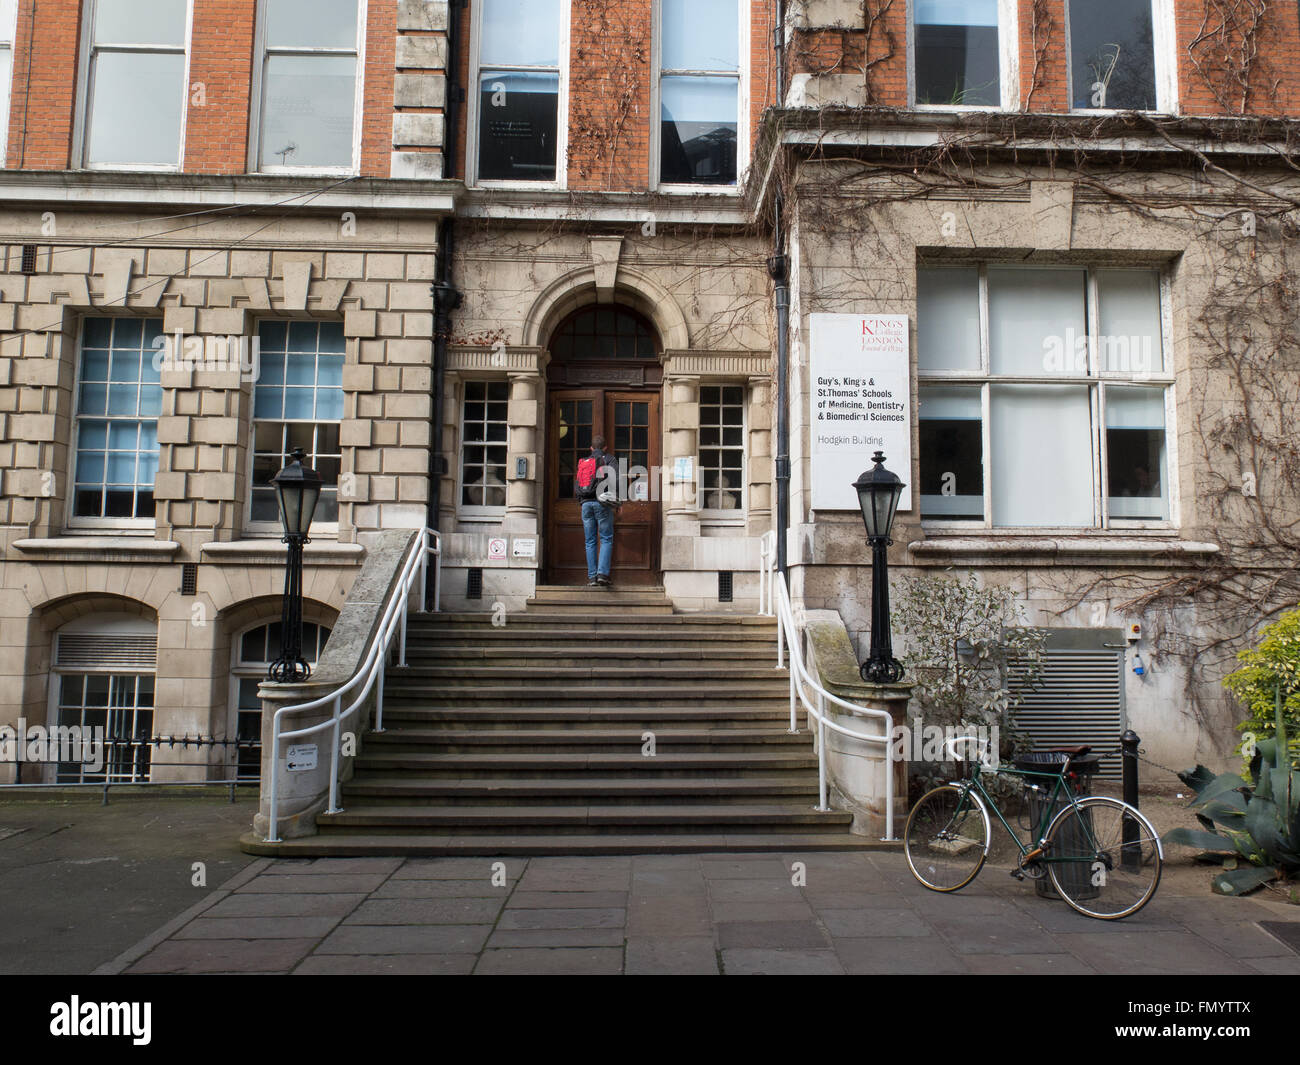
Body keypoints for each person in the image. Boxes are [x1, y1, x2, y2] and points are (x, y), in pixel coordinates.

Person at [576, 436, 617, 587]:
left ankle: (592, 577)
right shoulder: (609, 459)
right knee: (606, 538)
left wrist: (580, 501)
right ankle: (602, 575)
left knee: (590, 541)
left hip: (586, 504)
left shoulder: (584, 462)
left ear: (591, 448)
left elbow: (577, 484)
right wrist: (617, 503)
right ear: (605, 447)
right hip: (602, 503)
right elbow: (615, 481)